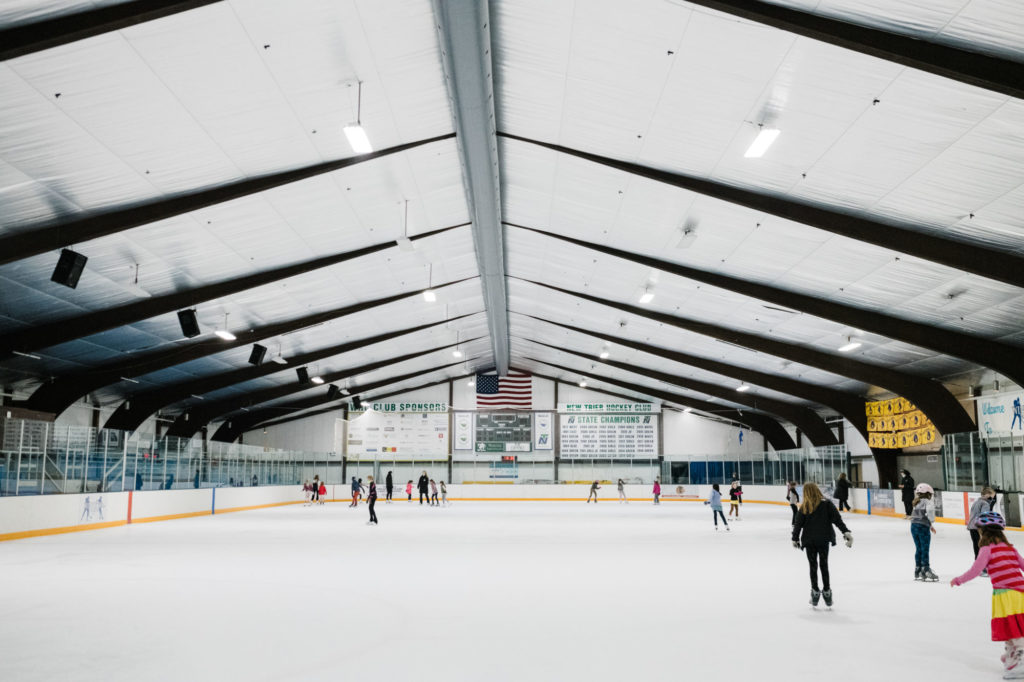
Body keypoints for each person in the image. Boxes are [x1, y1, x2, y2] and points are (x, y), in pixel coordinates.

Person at [950, 512, 1024, 678]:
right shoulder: (1010, 548)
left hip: (1006, 594)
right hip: (1020, 592)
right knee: (1012, 625)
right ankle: (1012, 654)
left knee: (1012, 626)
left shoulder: (986, 549)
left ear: (982, 531)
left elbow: (976, 569)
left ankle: (1020, 657)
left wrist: (959, 580)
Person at [792, 482, 853, 608]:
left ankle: (815, 592)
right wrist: (846, 532)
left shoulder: (804, 507)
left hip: (809, 541)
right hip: (824, 539)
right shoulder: (827, 504)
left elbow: (798, 525)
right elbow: (837, 520)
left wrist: (795, 538)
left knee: (813, 565)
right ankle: (827, 592)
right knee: (824, 565)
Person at [911, 482, 939, 581]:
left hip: (913, 527)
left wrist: (930, 525)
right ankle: (926, 570)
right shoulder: (928, 502)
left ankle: (917, 570)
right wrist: (931, 521)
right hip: (922, 527)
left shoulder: (916, 501)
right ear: (928, 493)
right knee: (925, 549)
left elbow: (917, 516)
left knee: (918, 548)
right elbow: (930, 512)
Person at [968, 487, 999, 559]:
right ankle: (982, 565)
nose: (992, 499)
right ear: (987, 495)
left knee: (977, 547)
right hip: (978, 528)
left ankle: (978, 564)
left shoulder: (976, 502)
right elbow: (983, 517)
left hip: (972, 527)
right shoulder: (985, 504)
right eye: (992, 497)